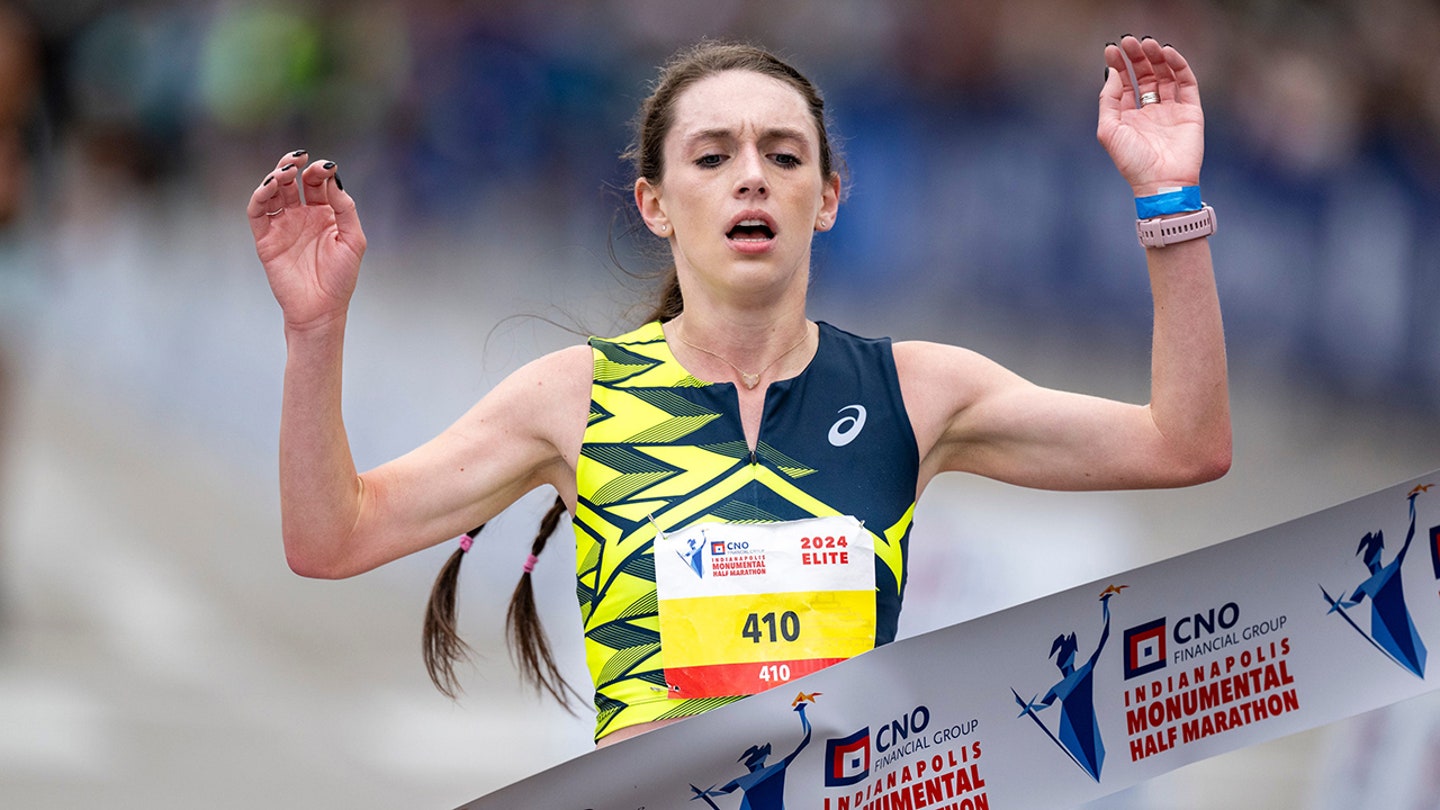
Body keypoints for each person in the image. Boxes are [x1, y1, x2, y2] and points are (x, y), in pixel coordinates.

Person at [246, 36, 1230, 748]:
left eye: (784, 156)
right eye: (712, 157)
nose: (750, 178)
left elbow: (1183, 445)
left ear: (828, 198)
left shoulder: (918, 391)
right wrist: (314, 330)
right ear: (656, 205)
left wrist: (1169, 201)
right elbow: (333, 538)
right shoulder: (575, 398)